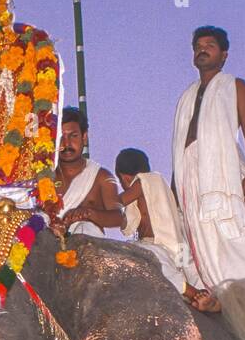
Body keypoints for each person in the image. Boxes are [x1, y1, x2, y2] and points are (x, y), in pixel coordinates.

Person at [171, 26, 245, 310]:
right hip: (190, 178)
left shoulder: (236, 86)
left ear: (224, 55)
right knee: (197, 241)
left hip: (224, 176)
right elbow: (180, 148)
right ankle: (216, 301)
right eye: (198, 45)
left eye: (210, 45)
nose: (202, 49)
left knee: (236, 238)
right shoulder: (186, 97)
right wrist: (174, 188)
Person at [115, 146, 212, 304]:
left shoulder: (147, 180)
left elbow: (116, 202)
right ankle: (189, 297)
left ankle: (194, 293)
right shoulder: (146, 190)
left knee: (154, 262)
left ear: (124, 178)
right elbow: (127, 225)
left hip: (161, 246)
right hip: (161, 247)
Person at [54, 107, 123, 237]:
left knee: (85, 228)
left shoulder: (101, 176)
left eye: (73, 136)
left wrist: (88, 214)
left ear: (84, 137)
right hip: (46, 249)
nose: (66, 143)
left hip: (88, 249)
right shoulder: (44, 177)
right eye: (60, 137)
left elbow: (119, 217)